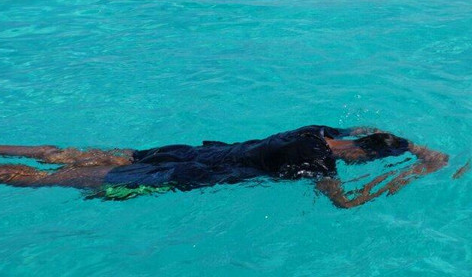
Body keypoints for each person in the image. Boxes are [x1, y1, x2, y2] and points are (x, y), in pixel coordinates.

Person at [0, 124, 448, 206]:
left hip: (190, 152)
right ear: (366, 155)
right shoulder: (317, 162)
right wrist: (414, 170)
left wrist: (412, 146)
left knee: (64, 155)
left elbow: (364, 127)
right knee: (50, 183)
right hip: (183, 174)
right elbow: (345, 205)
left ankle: (19, 148)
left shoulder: (317, 131)